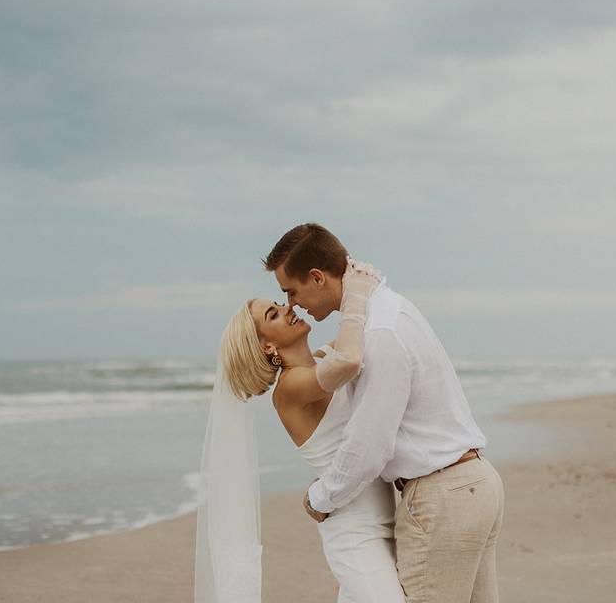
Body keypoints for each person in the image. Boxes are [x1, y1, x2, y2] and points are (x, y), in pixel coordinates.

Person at [264, 223, 505, 603]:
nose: (292, 304)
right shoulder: (386, 311)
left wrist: (319, 499)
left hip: (443, 496)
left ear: (317, 277)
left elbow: (369, 446)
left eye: (291, 292)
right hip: (474, 483)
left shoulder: (377, 333)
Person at [195, 257, 405, 602]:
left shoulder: (322, 361)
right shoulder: (290, 389)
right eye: (273, 315)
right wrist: (356, 293)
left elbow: (357, 332)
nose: (288, 308)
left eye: (279, 303)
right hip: (354, 532)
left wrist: (353, 275)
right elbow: (351, 358)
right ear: (267, 347)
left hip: (382, 519)